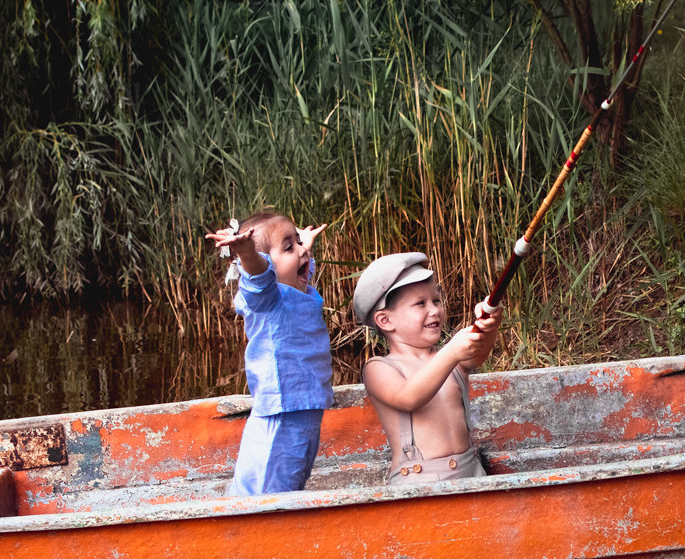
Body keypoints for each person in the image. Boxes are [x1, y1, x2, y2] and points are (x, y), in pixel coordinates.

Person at [210, 211, 332, 496]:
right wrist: (248, 253)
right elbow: (260, 276)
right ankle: (248, 532)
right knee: (269, 494)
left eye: (298, 242)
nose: (302, 251)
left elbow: (293, 270)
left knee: (290, 487)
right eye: (289, 247)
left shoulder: (296, 289)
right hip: (281, 414)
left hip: (304, 410)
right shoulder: (267, 298)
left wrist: (303, 246)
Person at [351, 252, 500, 485]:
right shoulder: (380, 368)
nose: (434, 310)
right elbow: (408, 397)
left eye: (436, 300)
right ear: (385, 321)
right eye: (420, 304)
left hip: (473, 474)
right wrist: (452, 351)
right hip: (419, 484)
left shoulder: (452, 360)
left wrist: (489, 324)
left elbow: (478, 352)